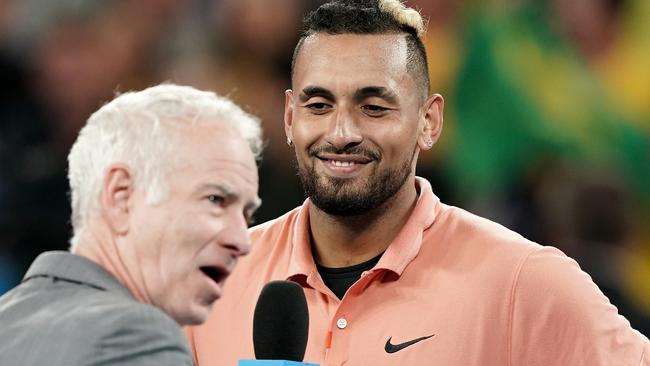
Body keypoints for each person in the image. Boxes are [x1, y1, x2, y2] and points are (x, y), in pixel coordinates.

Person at [186, 1, 650, 365]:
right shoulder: (211, 285)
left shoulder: (520, 283)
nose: (342, 133)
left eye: (374, 106)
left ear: (429, 121)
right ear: (290, 117)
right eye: (319, 105)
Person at [0, 84, 263, 365]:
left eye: (247, 214)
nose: (242, 240)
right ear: (121, 195)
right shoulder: (134, 335)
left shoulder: (8, 318)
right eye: (216, 199)